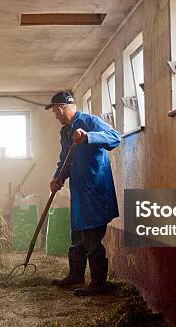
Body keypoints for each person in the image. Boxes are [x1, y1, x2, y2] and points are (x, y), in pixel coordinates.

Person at [46, 90, 121, 296]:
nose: (55, 116)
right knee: (77, 236)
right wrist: (58, 178)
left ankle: (99, 284)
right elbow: (65, 160)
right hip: (79, 192)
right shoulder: (65, 132)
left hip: (96, 190)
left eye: (55, 111)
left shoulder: (90, 122)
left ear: (61, 108)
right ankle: (75, 277)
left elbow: (116, 138)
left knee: (91, 239)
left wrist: (89, 136)